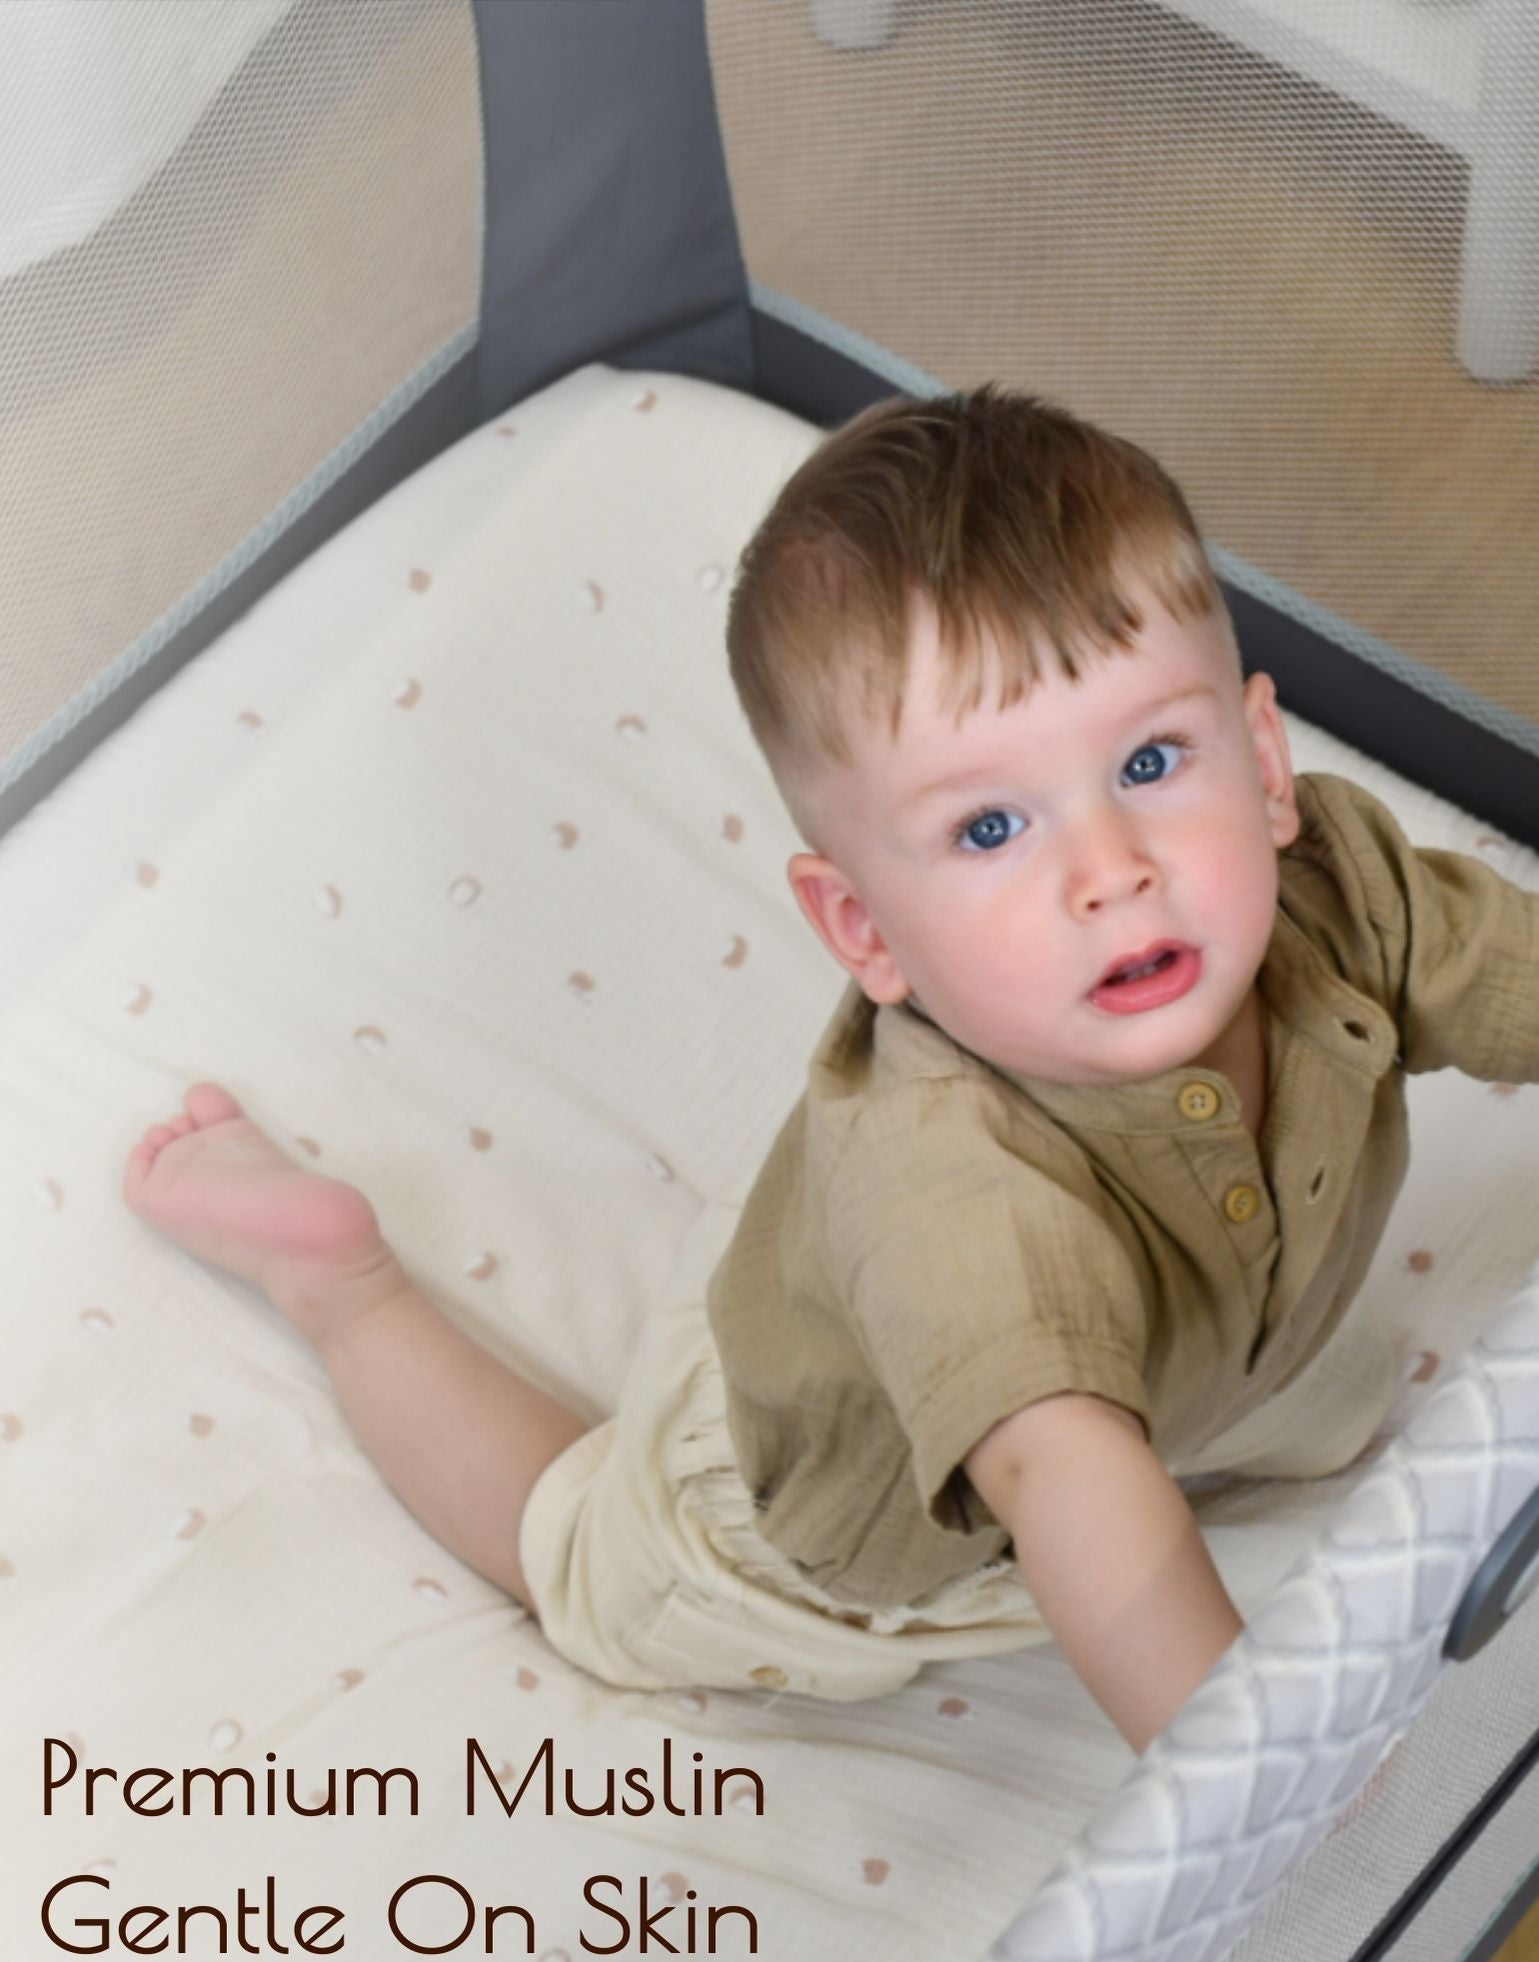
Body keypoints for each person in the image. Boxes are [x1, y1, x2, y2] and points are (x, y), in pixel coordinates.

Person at [120, 385, 1539, 1757]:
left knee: (1311, 1410)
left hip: (1187, 1331)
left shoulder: (1339, 883)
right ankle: (346, 1291)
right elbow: (1064, 1475)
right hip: (821, 1479)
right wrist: (1258, 1773)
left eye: (1153, 760)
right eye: (991, 830)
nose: (1112, 871)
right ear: (862, 929)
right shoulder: (954, 1191)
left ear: (1267, 765)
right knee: (581, 1563)